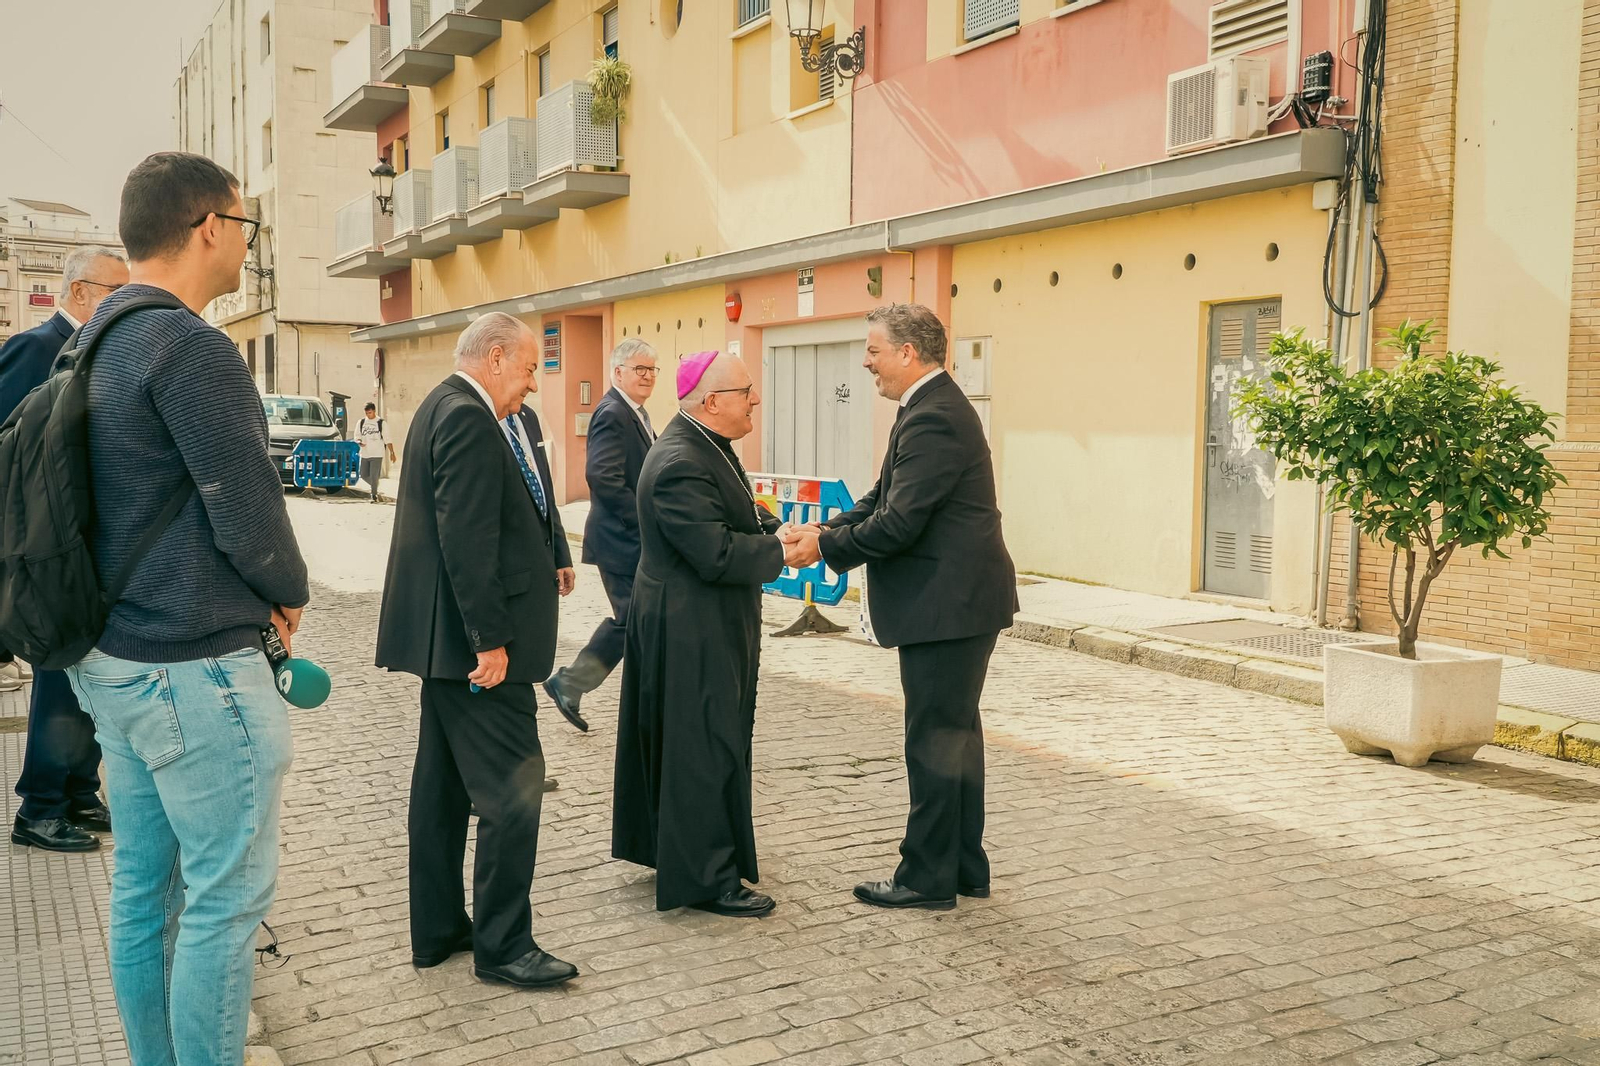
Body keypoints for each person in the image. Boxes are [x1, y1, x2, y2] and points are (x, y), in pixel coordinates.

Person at [60, 152, 310, 1064]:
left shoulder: (94, 338)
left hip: (112, 659)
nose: (247, 242)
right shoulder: (191, 346)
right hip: (191, 667)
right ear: (211, 226)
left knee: (143, 892)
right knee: (222, 903)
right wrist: (289, 596)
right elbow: (248, 508)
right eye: (245, 225)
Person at [785, 304, 1017, 910]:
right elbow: (881, 496)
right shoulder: (927, 407)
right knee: (956, 736)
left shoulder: (934, 414)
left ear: (907, 353)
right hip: (957, 604)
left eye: (873, 350)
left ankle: (926, 877)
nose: (866, 362)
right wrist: (825, 531)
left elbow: (900, 523)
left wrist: (824, 547)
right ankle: (964, 866)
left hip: (949, 607)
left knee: (935, 740)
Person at [375, 311, 579, 989]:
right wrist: (489, 639)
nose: (530, 383)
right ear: (495, 358)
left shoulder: (452, 404)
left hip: (446, 649)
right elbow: (466, 538)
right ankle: (504, 946)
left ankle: (438, 928)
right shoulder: (465, 414)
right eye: (526, 368)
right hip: (478, 650)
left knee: (440, 793)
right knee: (513, 793)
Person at [611, 351, 810, 917]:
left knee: (696, 740)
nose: (754, 401)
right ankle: (704, 877)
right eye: (746, 391)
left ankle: (679, 851)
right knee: (700, 745)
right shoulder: (680, 460)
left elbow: (737, 511)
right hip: (689, 626)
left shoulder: (705, 444)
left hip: (697, 619)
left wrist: (776, 529)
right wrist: (781, 552)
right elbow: (715, 551)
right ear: (712, 401)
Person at [3, 245, 128, 853]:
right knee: (57, 674)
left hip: (83, 545)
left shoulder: (94, 352)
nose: (124, 304)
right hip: (44, 549)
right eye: (114, 291)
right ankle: (40, 806)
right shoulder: (34, 347)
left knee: (86, 674)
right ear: (80, 292)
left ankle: (79, 786)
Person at [543, 337, 658, 731]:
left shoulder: (636, 413)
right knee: (633, 620)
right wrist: (645, 523)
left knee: (639, 621)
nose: (647, 377)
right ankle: (569, 682)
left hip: (627, 541)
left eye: (652, 370)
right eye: (638, 369)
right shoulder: (613, 412)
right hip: (621, 540)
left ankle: (578, 685)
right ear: (618, 372)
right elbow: (603, 477)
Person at [356, 401, 396, 502]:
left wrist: (392, 452)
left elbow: (387, 439)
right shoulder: (361, 422)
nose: (368, 415)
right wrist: (359, 442)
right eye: (366, 413)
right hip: (365, 453)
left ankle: (373, 495)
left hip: (377, 453)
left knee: (374, 475)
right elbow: (357, 436)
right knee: (363, 474)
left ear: (374, 411)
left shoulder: (381, 423)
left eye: (370, 412)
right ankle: (375, 485)